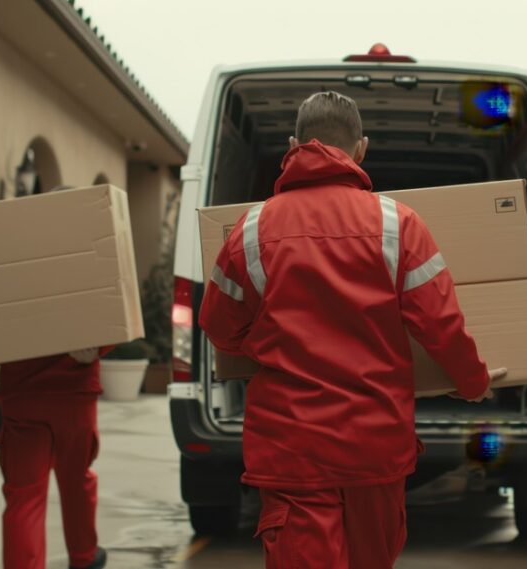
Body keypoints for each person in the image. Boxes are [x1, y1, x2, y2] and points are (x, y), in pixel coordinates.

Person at [199, 91, 504, 569]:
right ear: (360, 149)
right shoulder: (398, 225)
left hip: (292, 451)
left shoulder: (251, 230)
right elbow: (443, 326)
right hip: (374, 450)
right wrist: (474, 382)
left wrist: (258, 341)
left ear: (294, 144)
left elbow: (217, 326)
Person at [0, 346, 112, 569]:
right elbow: (113, 315)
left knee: (25, 496)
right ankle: (83, 556)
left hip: (22, 391)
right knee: (76, 479)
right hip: (75, 390)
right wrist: (101, 346)